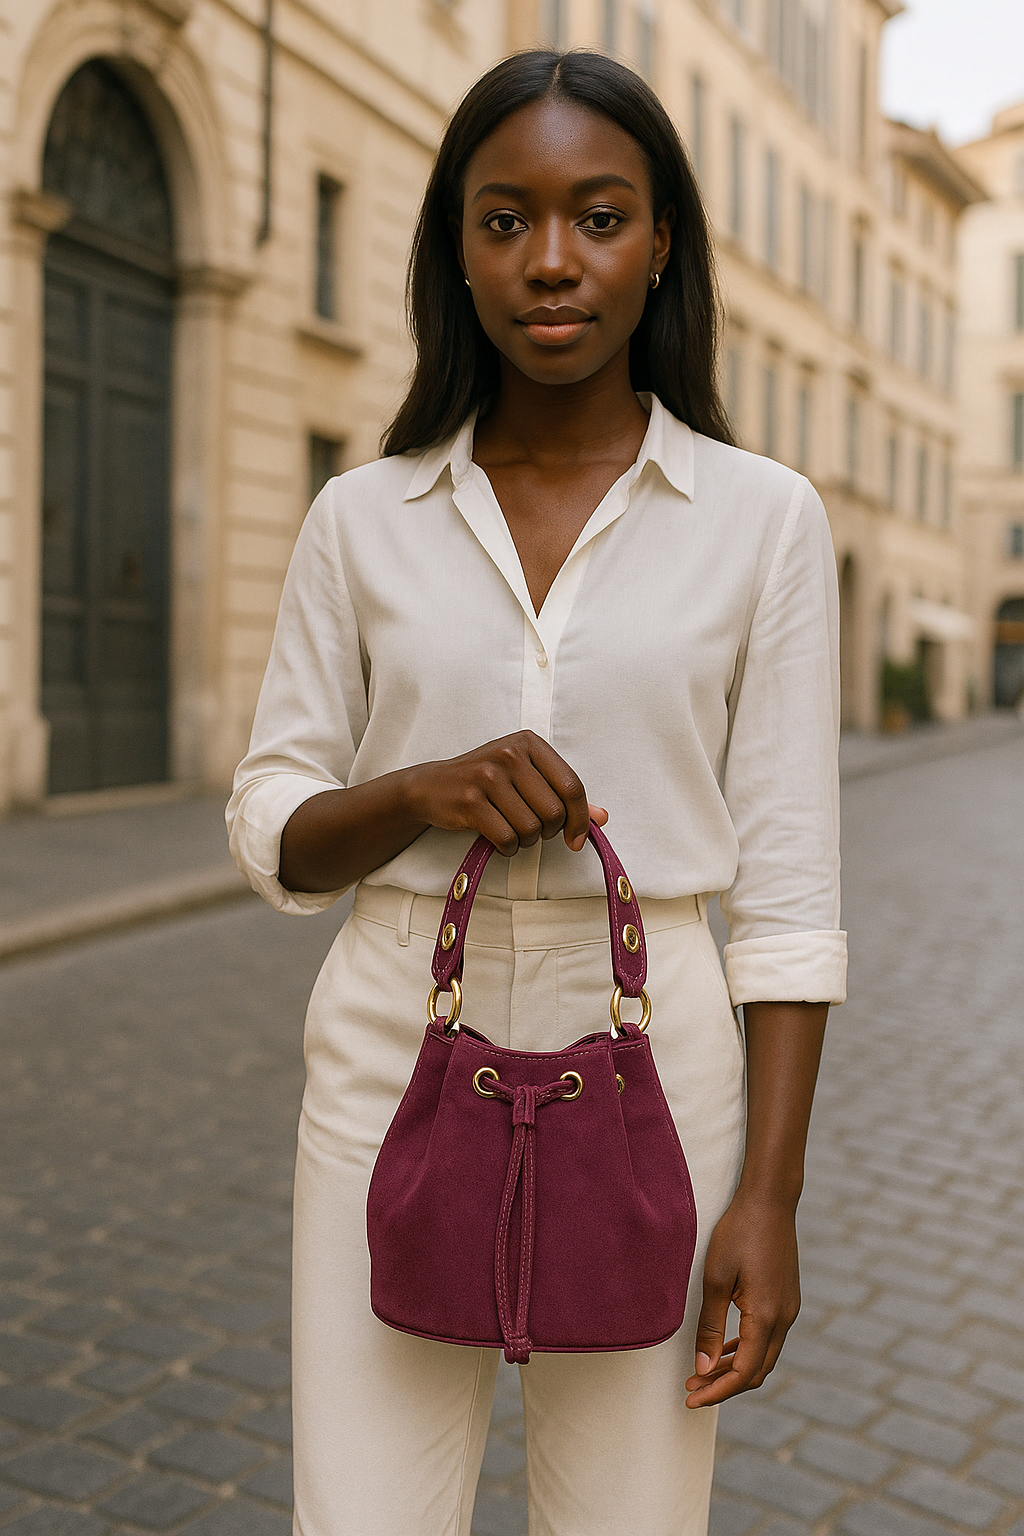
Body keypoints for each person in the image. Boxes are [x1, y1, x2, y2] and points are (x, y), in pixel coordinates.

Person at [227, 47, 846, 1536]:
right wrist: (419, 790)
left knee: (630, 1521)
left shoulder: (763, 521)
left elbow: (790, 893)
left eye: (599, 217)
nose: (552, 261)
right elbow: (272, 821)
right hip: (394, 1051)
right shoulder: (362, 515)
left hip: (659, 1067)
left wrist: (769, 1195)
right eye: (505, 220)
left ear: (662, 243)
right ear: (456, 245)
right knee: (363, 1517)